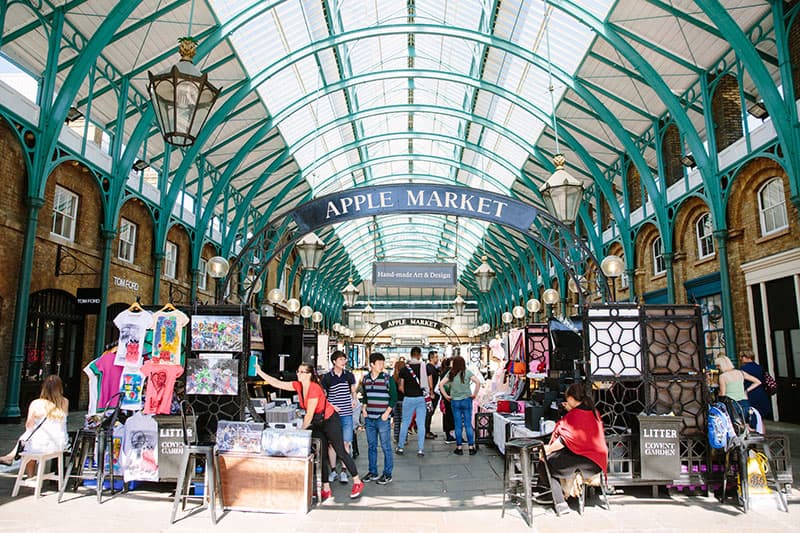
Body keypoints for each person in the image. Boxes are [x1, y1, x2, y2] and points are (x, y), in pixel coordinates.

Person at [255, 363, 363, 500]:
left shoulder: (314, 388)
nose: (298, 374)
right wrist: (260, 372)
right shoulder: (299, 386)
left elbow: (309, 415)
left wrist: (298, 432)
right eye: (298, 371)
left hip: (330, 420)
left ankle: (357, 481)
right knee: (321, 454)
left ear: (309, 374)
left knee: (340, 450)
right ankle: (326, 488)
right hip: (318, 423)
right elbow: (277, 383)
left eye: (302, 372)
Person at [542, 383, 608, 516]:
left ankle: (559, 503)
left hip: (583, 460)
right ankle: (553, 496)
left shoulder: (574, 415)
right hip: (597, 462)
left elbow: (564, 440)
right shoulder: (595, 412)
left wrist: (547, 450)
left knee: (546, 462)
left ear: (571, 399)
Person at [0, 375, 69, 473]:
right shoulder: (65, 402)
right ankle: (10, 456)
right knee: (30, 440)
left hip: (40, 445)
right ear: (60, 388)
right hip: (60, 443)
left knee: (28, 440)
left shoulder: (36, 403)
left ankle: (28, 475)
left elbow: (29, 426)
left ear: (43, 388)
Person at [359, 352, 397, 485]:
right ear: (372, 365)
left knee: (386, 446)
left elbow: (394, 397)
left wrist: (387, 412)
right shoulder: (365, 379)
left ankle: (387, 473)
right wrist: (364, 408)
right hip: (369, 417)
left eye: (382, 363)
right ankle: (373, 472)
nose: (382, 366)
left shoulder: (388, 379)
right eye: (379, 363)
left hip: (382, 418)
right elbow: (365, 396)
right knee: (371, 446)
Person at [320, 350, 357, 485]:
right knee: (332, 444)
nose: (343, 362)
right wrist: (331, 406)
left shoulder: (349, 375)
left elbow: (352, 390)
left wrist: (354, 400)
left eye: (344, 359)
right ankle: (334, 470)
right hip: (332, 414)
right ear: (334, 361)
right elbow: (323, 395)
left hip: (347, 412)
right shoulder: (327, 377)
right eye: (341, 359)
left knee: (346, 443)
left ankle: (344, 471)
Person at [438, 355, 481, 455]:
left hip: (455, 401)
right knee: (468, 424)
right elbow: (478, 382)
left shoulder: (451, 373)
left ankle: (459, 447)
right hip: (467, 400)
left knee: (457, 425)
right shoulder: (467, 372)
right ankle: (471, 447)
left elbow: (441, 385)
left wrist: (446, 396)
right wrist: (474, 394)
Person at [396, 346, 432, 456]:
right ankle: (420, 449)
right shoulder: (425, 368)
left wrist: (408, 391)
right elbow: (430, 386)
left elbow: (400, 387)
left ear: (411, 355)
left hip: (408, 398)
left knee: (405, 423)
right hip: (421, 399)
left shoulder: (404, 369)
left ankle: (400, 447)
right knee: (421, 424)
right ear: (420, 355)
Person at [716, 355, 760, 422]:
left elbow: (723, 393)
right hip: (744, 401)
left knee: (734, 424)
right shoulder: (741, 372)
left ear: (721, 365)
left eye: (718, 366)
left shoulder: (722, 376)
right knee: (745, 422)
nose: (717, 367)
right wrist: (746, 391)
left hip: (732, 403)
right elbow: (757, 382)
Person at [739, 351, 773, 422]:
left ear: (747, 357)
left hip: (749, 393)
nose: (740, 358)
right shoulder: (760, 367)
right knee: (760, 418)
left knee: (751, 417)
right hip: (761, 393)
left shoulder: (743, 369)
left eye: (742, 357)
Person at [439, 357, 456, 443]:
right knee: (451, 416)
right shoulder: (451, 371)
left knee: (446, 415)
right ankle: (450, 435)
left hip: (445, 397)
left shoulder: (443, 371)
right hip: (451, 396)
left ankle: (448, 434)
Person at [424, 350, 440, 439]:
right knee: (429, 412)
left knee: (430, 412)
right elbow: (429, 380)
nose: (437, 358)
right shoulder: (429, 367)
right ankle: (426, 432)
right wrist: (431, 392)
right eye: (436, 357)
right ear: (431, 358)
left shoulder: (433, 367)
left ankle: (427, 431)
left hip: (433, 393)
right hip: (431, 394)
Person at [392, 359, 406, 443]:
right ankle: (404, 438)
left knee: (396, 420)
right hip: (403, 400)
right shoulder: (404, 378)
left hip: (395, 401)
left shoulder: (392, 378)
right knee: (404, 421)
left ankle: (396, 437)